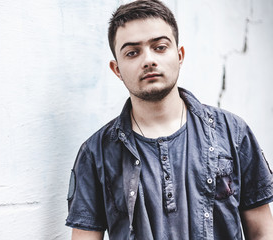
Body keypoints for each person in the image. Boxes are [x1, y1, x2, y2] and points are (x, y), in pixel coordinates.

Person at [65, 0, 273, 239]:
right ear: (117, 69)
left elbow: (262, 232)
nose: (148, 60)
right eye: (132, 52)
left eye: (160, 47)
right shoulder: (96, 152)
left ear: (180, 55)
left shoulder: (232, 132)